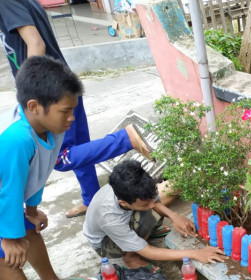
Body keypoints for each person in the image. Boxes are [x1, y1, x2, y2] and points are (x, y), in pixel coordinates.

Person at [0, 0, 152, 219]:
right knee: (79, 149)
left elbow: (36, 43)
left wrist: (32, 91)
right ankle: (91, 199)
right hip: (63, 87)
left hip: (49, 98)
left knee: (60, 158)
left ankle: (125, 139)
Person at [0, 55, 105, 280]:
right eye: (65, 111)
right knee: (6, 258)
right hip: (4, 191)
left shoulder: (53, 128)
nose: (72, 118)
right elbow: (9, 190)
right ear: (34, 106)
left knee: (30, 227)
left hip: (7, 191)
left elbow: (38, 173)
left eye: (73, 110)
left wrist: (32, 210)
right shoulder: (16, 138)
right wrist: (10, 238)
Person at [83, 160, 226, 272]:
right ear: (124, 203)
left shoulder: (138, 185)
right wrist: (196, 253)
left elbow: (154, 202)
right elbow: (147, 251)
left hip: (125, 219)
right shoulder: (109, 217)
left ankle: (144, 232)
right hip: (106, 244)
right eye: (145, 203)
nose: (152, 205)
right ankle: (130, 257)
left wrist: (174, 216)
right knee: (148, 216)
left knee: (152, 210)